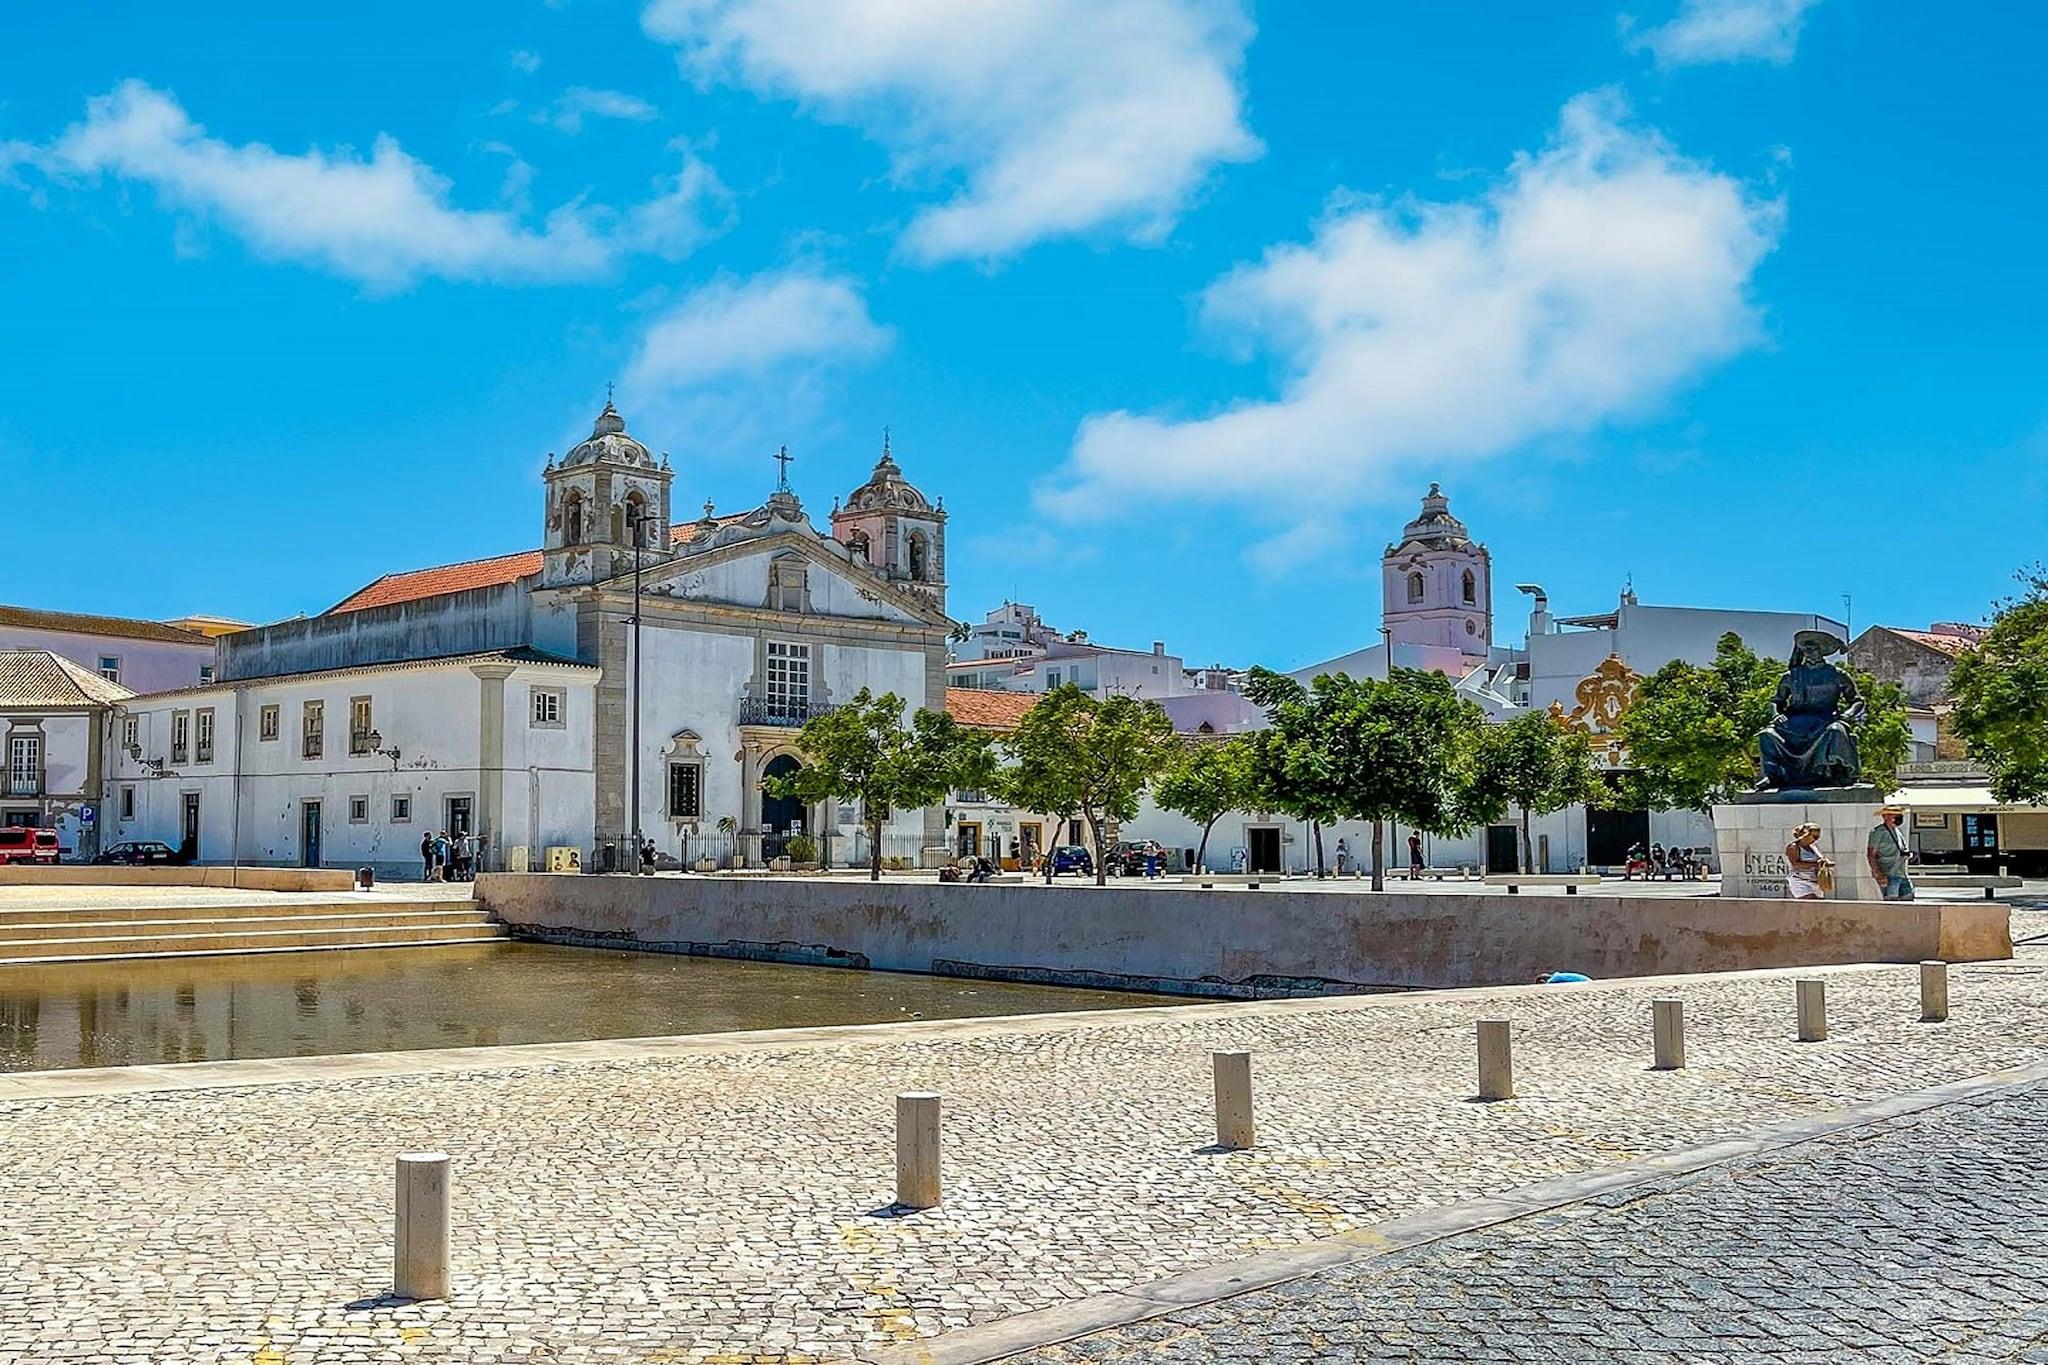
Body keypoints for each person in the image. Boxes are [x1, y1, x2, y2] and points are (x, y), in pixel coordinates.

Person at [1867, 805, 1915, 901]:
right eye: (1895, 815)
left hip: (1901, 872)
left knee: (1908, 897)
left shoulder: (1897, 831)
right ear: (1885, 816)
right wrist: (1878, 873)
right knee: (1891, 901)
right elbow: (1871, 854)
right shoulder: (1878, 832)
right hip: (1888, 873)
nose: (1899, 818)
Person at [1784, 823, 1826, 899]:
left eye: (1818, 837)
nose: (1816, 839)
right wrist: (1815, 864)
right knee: (1810, 901)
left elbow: (1819, 860)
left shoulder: (1813, 847)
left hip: (1814, 881)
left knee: (1818, 904)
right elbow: (1795, 864)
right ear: (1805, 835)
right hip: (1800, 881)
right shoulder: (1794, 847)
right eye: (1814, 837)